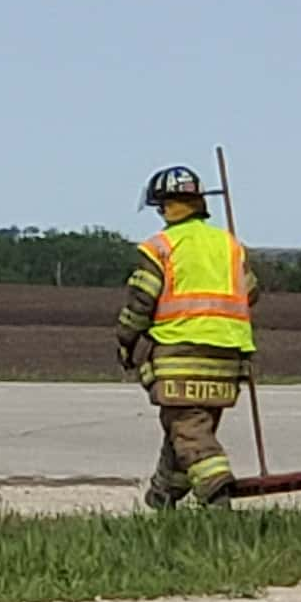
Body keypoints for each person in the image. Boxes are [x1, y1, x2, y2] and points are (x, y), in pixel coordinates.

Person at [114, 165, 255, 509]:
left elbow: (140, 302)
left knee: (190, 433)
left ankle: (218, 495)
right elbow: (251, 291)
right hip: (229, 358)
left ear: (166, 206)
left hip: (180, 355)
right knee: (186, 430)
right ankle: (164, 495)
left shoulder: (160, 247)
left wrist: (126, 340)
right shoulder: (230, 245)